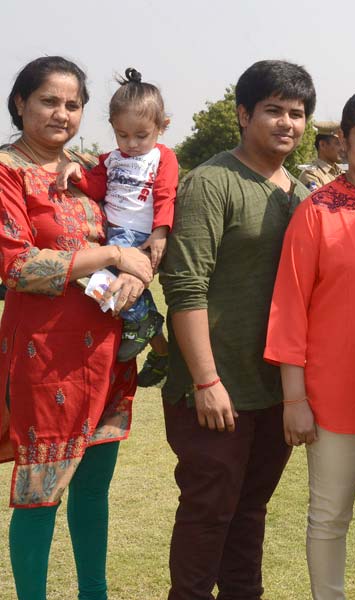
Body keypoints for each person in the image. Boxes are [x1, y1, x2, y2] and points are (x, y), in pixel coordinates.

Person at [159, 60, 316, 600]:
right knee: (209, 514)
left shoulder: (299, 194)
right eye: (273, 110)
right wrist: (206, 379)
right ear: (243, 113)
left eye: (297, 113)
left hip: (272, 386)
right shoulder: (211, 182)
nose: (286, 123)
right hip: (213, 387)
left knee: (250, 513)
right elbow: (185, 287)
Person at [0, 56, 152, 600]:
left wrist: (138, 269)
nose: (61, 113)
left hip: (107, 349)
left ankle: (95, 593)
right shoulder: (6, 170)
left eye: (72, 104)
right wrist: (110, 252)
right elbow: (17, 264)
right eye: (48, 101)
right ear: (20, 104)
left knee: (93, 492)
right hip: (45, 355)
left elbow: (142, 223)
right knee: (39, 490)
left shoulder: (94, 168)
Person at [264, 90, 355, 600]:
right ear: (343, 141)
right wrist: (295, 398)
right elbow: (289, 308)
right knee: (329, 516)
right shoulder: (316, 211)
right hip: (330, 395)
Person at [55, 67, 176, 387]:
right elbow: (97, 188)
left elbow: (166, 194)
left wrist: (161, 231)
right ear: (113, 128)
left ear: (162, 127)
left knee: (99, 282)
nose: (132, 143)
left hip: (138, 235)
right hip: (112, 234)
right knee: (93, 283)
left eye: (141, 135)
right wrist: (76, 173)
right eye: (123, 135)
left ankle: (143, 325)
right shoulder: (110, 159)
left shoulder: (163, 157)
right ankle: (148, 325)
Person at [298, 121, 343, 191]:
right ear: (322, 145)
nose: (343, 148)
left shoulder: (342, 173)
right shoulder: (310, 175)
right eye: (338, 143)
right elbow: (319, 201)